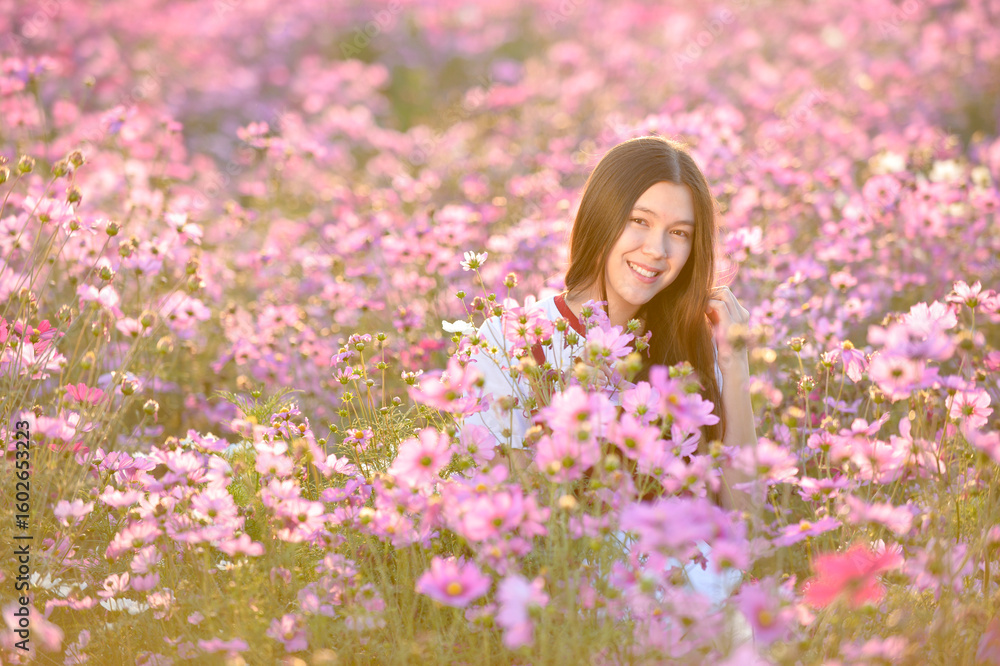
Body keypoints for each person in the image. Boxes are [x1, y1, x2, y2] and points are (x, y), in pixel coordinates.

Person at [459, 136, 758, 644]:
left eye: (679, 233)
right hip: (581, 624)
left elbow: (745, 519)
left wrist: (736, 363)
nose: (657, 250)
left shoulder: (692, 348)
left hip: (699, 613)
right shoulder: (511, 341)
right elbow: (518, 526)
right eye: (639, 221)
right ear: (601, 216)